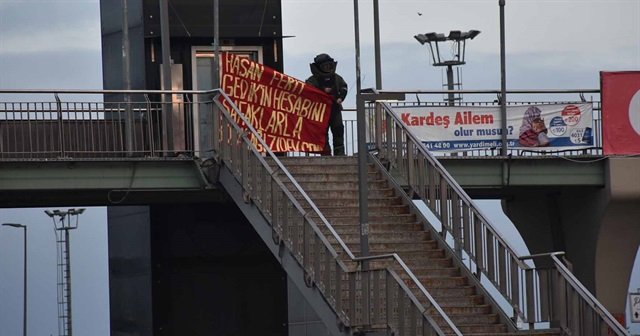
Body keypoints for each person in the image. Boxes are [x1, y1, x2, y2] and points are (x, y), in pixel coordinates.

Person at [306, 53, 348, 156]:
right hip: (320, 111)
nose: (328, 68)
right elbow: (308, 92)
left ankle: (340, 155)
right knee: (322, 133)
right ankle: (326, 155)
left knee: (338, 130)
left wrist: (340, 98)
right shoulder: (312, 80)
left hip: (334, 110)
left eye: (330, 66)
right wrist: (322, 91)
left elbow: (344, 87)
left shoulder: (337, 78)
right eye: (325, 66)